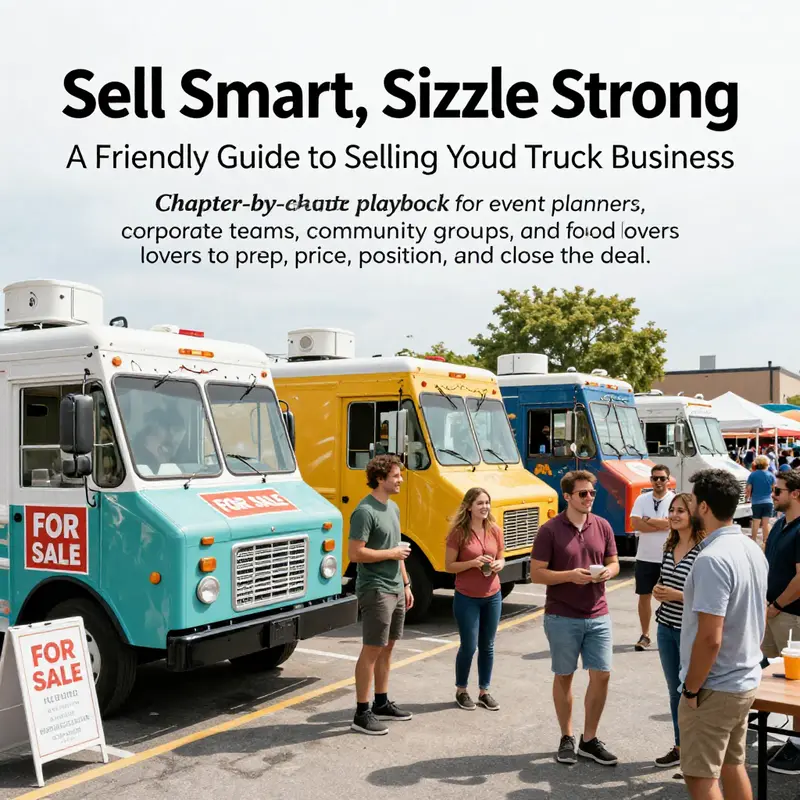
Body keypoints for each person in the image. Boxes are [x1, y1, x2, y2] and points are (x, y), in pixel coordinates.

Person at [678, 469, 768, 800]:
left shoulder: (712, 558)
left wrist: (691, 689)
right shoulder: (751, 548)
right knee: (732, 765)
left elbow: (710, 638)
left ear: (703, 507)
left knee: (700, 777)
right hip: (743, 679)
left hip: (716, 685)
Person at [530, 470, 620, 767]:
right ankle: (567, 736)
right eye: (583, 493)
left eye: (592, 493)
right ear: (567, 496)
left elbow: (614, 561)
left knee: (602, 674)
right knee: (564, 676)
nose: (589, 498)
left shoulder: (603, 525)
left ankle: (589, 740)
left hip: (598, 613)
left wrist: (609, 572)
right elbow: (536, 573)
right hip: (561, 614)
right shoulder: (550, 530)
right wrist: (570, 576)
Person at [348, 454, 414, 736]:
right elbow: (355, 553)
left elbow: (396, 547)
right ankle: (361, 713)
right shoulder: (365, 511)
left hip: (395, 587)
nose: (401, 480)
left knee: (388, 647)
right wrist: (392, 554)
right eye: (396, 476)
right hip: (375, 588)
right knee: (372, 648)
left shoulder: (393, 508)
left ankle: (381, 703)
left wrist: (406, 584)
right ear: (380, 479)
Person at [651, 493, 705, 769]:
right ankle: (681, 747)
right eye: (672, 510)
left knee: (693, 691)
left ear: (693, 515)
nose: (673, 515)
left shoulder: (704, 551)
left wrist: (676, 594)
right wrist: (659, 591)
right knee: (675, 692)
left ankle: (697, 752)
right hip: (665, 627)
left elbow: (708, 596)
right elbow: (666, 581)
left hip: (691, 632)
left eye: (680, 511)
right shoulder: (669, 545)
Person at [445, 488, 505, 711]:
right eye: (480, 503)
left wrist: (500, 564)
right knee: (469, 646)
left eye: (487, 503)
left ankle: (484, 691)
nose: (485, 507)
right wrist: (472, 563)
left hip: (492, 595)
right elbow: (448, 566)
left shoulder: (495, 530)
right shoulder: (458, 533)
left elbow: (502, 557)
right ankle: (461, 690)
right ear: (469, 506)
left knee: (487, 646)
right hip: (467, 597)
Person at [761, 469, 800, 774]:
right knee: (780, 680)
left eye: (778, 491)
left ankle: (798, 747)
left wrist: (775, 605)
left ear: (795, 494)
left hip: (790, 615)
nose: (772, 496)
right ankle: (792, 740)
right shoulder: (778, 526)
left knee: (796, 685)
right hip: (773, 612)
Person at [629, 464, 675, 651]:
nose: (658, 482)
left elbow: (673, 523)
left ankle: (671, 633)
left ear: (668, 480)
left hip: (668, 557)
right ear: (650, 480)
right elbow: (635, 523)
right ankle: (645, 634)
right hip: (645, 557)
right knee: (644, 596)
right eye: (655, 478)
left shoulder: (674, 500)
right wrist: (662, 524)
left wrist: (647, 521)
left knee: (670, 598)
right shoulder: (642, 499)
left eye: (662, 478)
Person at [745, 454, 775, 546]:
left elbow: (748, 489)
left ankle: (753, 541)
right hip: (768, 502)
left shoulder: (752, 475)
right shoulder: (771, 475)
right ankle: (765, 543)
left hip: (756, 502)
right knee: (766, 524)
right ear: (767, 464)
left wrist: (747, 498)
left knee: (756, 522)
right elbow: (774, 489)